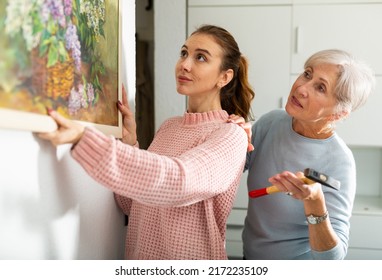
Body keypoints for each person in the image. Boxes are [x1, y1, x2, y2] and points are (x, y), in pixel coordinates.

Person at [38, 24, 255, 260]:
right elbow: (131, 203)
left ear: (225, 77)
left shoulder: (231, 135)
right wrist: (129, 143)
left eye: (200, 57)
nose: (184, 64)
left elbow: (179, 182)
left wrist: (85, 139)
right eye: (184, 53)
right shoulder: (169, 127)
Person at [231, 49, 375, 259]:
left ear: (339, 113)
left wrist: (314, 203)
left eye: (320, 87)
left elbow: (332, 259)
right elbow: (227, 172)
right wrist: (232, 138)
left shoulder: (340, 162)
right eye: (307, 74)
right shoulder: (271, 122)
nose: (301, 88)